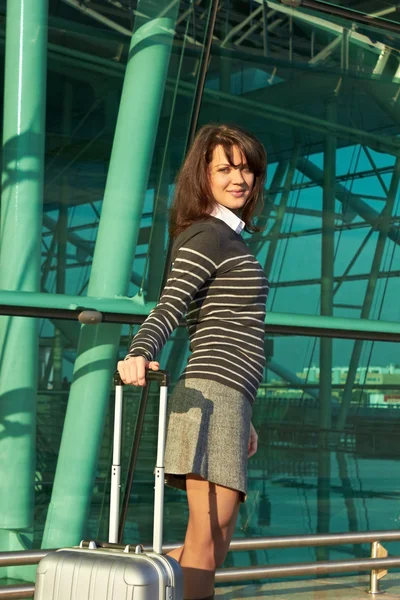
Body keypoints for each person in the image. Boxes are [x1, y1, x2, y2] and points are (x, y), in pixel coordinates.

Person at [117, 123, 269, 600]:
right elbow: (170, 304)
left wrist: (245, 413)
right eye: (225, 168)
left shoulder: (233, 238)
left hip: (229, 399)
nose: (238, 179)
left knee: (213, 540)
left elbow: (237, 334)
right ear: (202, 176)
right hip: (209, 394)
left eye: (245, 169)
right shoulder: (206, 234)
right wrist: (140, 350)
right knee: (207, 539)